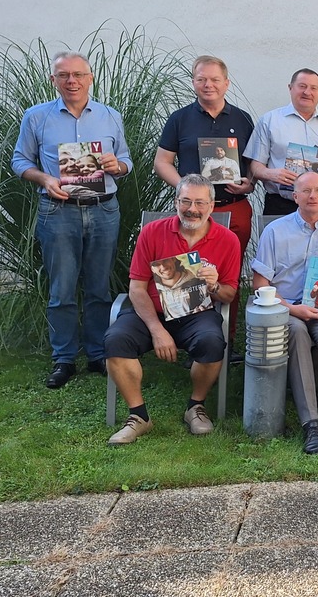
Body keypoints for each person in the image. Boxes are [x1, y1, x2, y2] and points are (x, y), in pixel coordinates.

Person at [12, 51, 132, 388]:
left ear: (90, 78)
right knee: (61, 289)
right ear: (54, 80)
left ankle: (96, 353)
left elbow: (126, 160)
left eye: (78, 74)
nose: (72, 81)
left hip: (103, 208)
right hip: (57, 211)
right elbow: (20, 161)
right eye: (63, 75)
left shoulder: (110, 116)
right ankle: (63, 358)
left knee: (98, 287)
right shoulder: (36, 117)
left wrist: (117, 166)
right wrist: (44, 179)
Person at [103, 175, 240, 445]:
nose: (192, 208)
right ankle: (138, 416)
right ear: (176, 202)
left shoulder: (228, 240)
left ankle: (195, 406)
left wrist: (213, 286)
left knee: (213, 342)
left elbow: (230, 294)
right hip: (151, 312)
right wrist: (156, 330)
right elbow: (136, 289)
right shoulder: (152, 232)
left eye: (200, 202)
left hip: (196, 314)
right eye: (186, 201)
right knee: (115, 340)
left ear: (212, 206)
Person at [252, 172, 318, 454]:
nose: (313, 196)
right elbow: (260, 285)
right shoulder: (275, 230)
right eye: (306, 191)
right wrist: (292, 309)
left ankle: (299, 385)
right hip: (284, 307)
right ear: (294, 195)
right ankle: (311, 424)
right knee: (297, 332)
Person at [155, 56, 255, 348]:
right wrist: (187, 189)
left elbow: (252, 164)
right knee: (189, 271)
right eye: (201, 79)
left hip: (233, 208)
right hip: (192, 212)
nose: (208, 85)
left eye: (214, 79)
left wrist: (250, 181)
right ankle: (192, 337)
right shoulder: (179, 119)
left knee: (229, 276)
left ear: (226, 83)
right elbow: (162, 162)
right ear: (194, 82)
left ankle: (228, 336)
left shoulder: (242, 119)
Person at [244, 68, 318, 216]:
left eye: (313, 88)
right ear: (290, 88)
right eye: (302, 86)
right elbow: (256, 165)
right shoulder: (269, 121)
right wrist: (272, 174)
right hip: (280, 204)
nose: (307, 92)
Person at [151, 256, 209, 320]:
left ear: (173, 259)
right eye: (156, 264)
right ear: (152, 269)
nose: (163, 267)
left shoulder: (197, 282)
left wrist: (204, 307)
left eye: (165, 261)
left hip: (197, 320)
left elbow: (208, 300)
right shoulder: (156, 289)